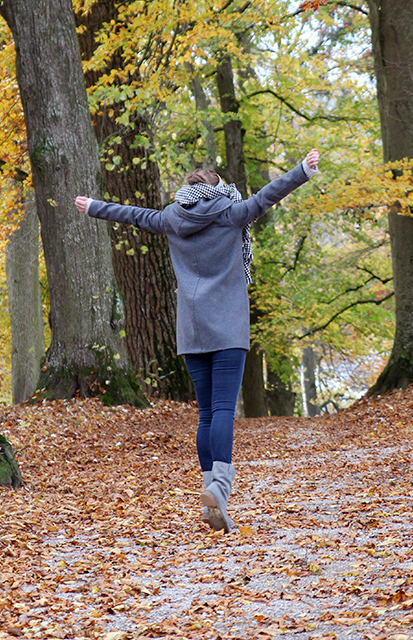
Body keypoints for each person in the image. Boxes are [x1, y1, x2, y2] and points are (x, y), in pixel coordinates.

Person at [75, 148, 320, 533]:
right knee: (223, 410)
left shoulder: (172, 218)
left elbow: (135, 216)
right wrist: (302, 171)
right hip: (227, 329)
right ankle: (220, 490)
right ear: (218, 190)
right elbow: (268, 195)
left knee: (206, 413)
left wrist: (94, 207)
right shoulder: (230, 214)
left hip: (191, 331)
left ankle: (210, 499)